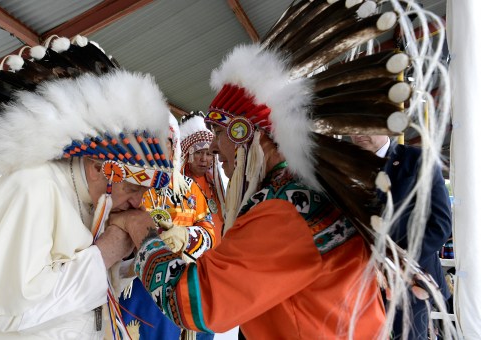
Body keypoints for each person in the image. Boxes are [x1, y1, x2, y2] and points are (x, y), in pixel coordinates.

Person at [107, 0, 452, 337]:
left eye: (218, 133)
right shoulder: (302, 189)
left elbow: (195, 303)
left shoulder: (287, 208)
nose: (212, 147)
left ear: (249, 135)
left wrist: (144, 231)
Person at [0, 35, 176, 339]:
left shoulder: (92, 195)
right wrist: (106, 251)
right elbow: (11, 311)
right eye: (134, 189)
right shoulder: (34, 188)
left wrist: (126, 252)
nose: (139, 203)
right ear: (99, 168)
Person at [119, 115, 216, 340]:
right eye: (152, 140)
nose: (158, 148)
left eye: (166, 141)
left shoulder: (190, 189)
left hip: (181, 282)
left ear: (175, 147)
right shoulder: (127, 184)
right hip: (137, 284)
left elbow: (209, 232)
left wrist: (187, 237)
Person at [351, 135, 452, 339]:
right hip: (358, 279)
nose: (357, 131)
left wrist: (395, 263)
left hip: (409, 281)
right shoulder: (344, 164)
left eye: (366, 124)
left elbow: (440, 225)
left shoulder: (417, 160)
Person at [179, 111, 225, 240]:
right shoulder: (179, 185)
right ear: (188, 154)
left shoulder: (217, 185)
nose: (204, 159)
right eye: (199, 152)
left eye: (209, 154)